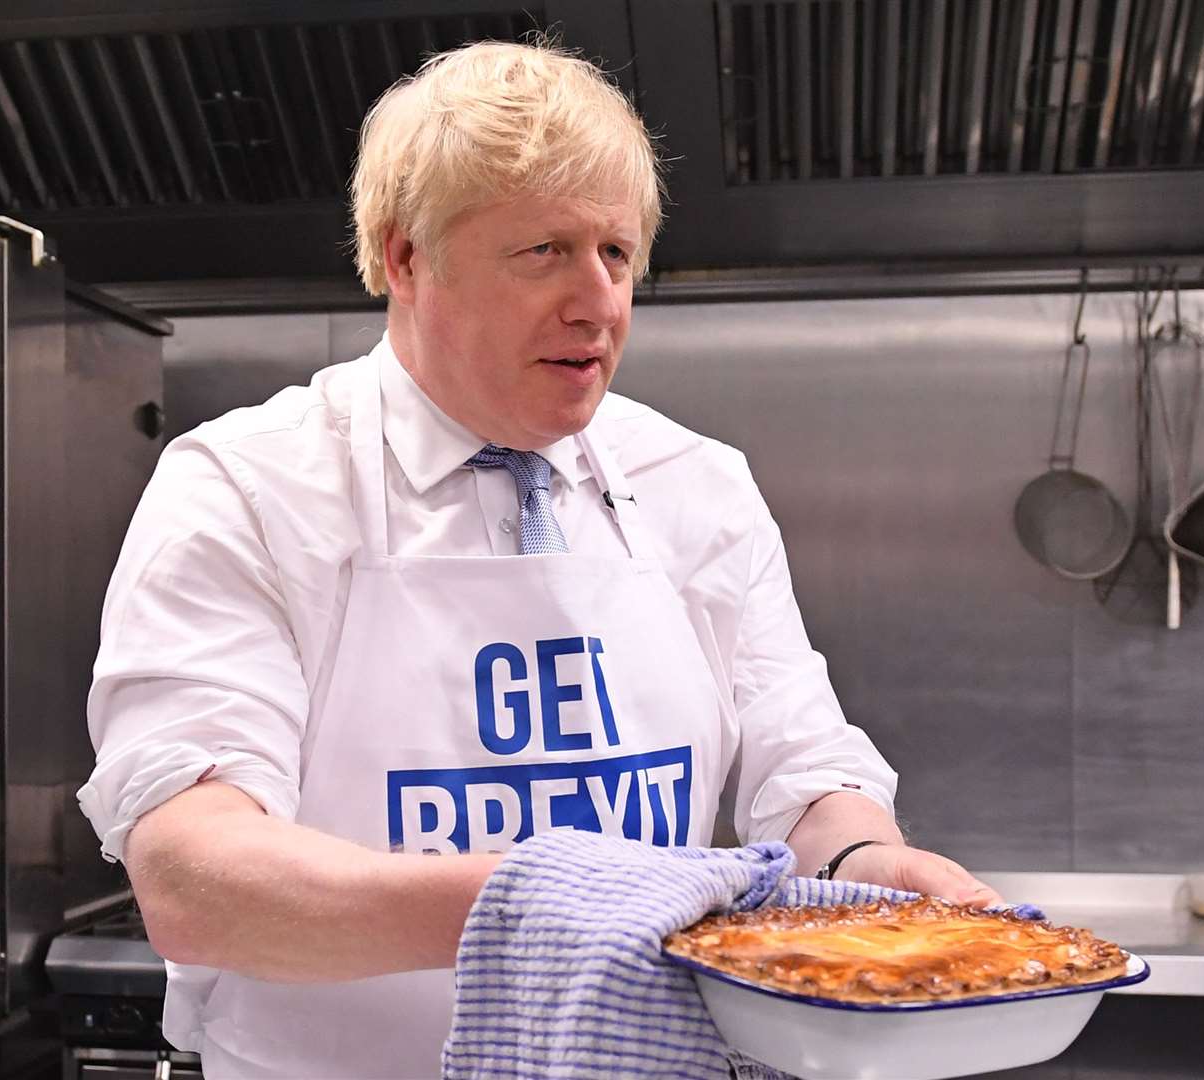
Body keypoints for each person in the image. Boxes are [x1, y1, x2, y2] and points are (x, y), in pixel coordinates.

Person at [79, 39, 1003, 1079]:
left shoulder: (695, 484)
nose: (598, 302)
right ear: (405, 258)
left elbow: (798, 770)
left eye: (615, 253)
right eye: (544, 252)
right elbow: (198, 882)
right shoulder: (251, 488)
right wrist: (543, 901)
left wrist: (864, 861)